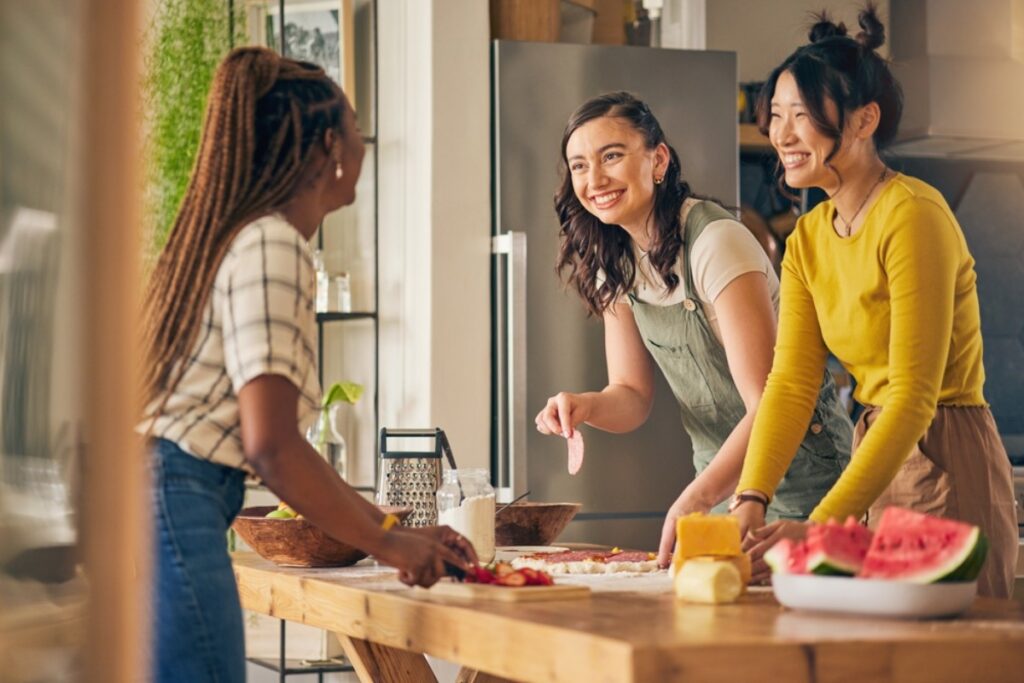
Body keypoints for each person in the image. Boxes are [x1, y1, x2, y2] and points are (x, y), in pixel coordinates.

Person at [139, 47, 476, 683]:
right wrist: (387, 541)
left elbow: (272, 445)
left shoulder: (241, 237)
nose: (363, 140)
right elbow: (273, 446)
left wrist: (394, 529)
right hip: (178, 501)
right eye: (355, 124)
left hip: (161, 499)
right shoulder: (272, 243)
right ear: (329, 145)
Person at [731, 7, 1018, 597]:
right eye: (776, 116)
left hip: (944, 447)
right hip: (876, 454)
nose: (781, 135)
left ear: (864, 121)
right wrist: (750, 498)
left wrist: (814, 529)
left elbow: (913, 398)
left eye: (802, 117)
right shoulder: (807, 238)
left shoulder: (913, 215)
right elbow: (790, 383)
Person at [534, 92, 853, 568]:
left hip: (803, 479)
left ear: (658, 159)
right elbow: (631, 395)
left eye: (612, 156)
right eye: (579, 165)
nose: (594, 179)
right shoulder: (615, 262)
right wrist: (586, 406)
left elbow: (767, 403)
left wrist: (697, 497)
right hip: (721, 489)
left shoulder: (715, 244)